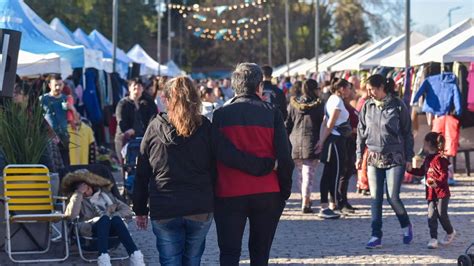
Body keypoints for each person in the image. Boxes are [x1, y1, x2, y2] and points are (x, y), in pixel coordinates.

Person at [212, 63, 294, 265]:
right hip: (267, 192)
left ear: (234, 86)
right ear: (259, 86)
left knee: (229, 253)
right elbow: (285, 157)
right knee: (260, 253)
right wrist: (284, 191)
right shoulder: (272, 112)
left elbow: (216, 155)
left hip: (229, 192)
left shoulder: (221, 115)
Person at [134, 77, 215, 265]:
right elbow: (215, 167)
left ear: (165, 99)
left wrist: (139, 208)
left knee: (170, 261)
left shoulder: (154, 128)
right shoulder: (205, 127)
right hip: (199, 206)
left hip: (165, 207)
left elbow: (141, 172)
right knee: (193, 260)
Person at [356, 74, 414, 249]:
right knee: (375, 198)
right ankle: (376, 235)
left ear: (382, 87)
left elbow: (407, 132)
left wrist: (409, 157)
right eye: (368, 89)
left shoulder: (398, 105)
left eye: (372, 89)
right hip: (373, 156)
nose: (370, 92)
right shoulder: (367, 106)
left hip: (395, 156)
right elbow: (360, 131)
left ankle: (406, 225)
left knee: (393, 197)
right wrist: (358, 155)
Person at [63, 171, 145, 266]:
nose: (85, 188)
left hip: (110, 227)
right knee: (104, 219)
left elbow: (127, 210)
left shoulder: (106, 195)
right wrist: (79, 193)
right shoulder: (76, 198)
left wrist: (113, 213)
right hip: (90, 229)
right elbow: (71, 216)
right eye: (82, 186)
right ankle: (103, 259)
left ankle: (135, 257)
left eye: (86, 185)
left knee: (116, 219)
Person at [408, 132, 456, 249]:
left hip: (442, 194)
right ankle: (433, 238)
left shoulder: (441, 159)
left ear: (429, 144)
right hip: (430, 194)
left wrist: (435, 183)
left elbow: (444, 176)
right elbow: (421, 172)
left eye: (424, 144)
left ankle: (450, 232)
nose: (423, 146)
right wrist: (410, 170)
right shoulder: (427, 159)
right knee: (431, 215)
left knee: (441, 215)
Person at [315, 78, 352, 219]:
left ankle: (326, 205)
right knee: (335, 174)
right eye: (348, 87)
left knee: (328, 174)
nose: (349, 90)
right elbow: (329, 123)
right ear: (341, 88)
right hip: (336, 140)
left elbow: (325, 122)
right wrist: (322, 140)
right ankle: (333, 204)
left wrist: (321, 139)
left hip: (332, 140)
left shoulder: (331, 99)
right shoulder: (336, 101)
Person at [286, 79, 324, 213]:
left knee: (300, 174)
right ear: (314, 89)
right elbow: (322, 124)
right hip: (311, 142)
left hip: (295, 143)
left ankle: (304, 198)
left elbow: (288, 124)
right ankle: (306, 202)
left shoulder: (293, 104)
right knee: (309, 174)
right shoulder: (319, 105)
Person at [40, 74, 77, 167]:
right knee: (52, 163)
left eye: (60, 85)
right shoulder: (42, 99)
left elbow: (76, 119)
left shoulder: (66, 99)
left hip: (64, 137)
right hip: (49, 138)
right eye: (55, 85)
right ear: (49, 85)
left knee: (65, 164)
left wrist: (72, 108)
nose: (58, 87)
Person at [114, 78, 146, 164]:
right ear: (129, 88)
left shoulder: (144, 104)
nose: (137, 89)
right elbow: (120, 119)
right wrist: (128, 130)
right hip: (124, 139)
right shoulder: (123, 103)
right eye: (134, 87)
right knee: (126, 165)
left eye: (139, 87)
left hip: (140, 139)